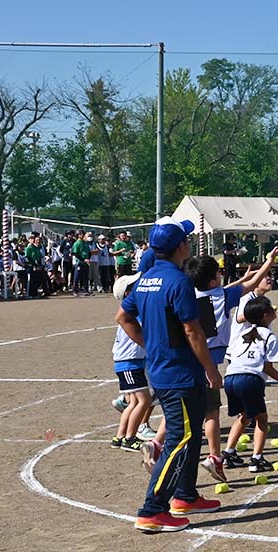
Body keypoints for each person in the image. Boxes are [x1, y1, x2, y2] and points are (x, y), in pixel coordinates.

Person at [116, 216, 223, 534]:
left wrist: (150, 343)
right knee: (179, 438)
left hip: (165, 369)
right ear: (181, 246)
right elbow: (193, 331)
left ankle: (185, 495)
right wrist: (210, 368)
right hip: (180, 373)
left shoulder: (146, 279)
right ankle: (152, 509)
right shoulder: (178, 281)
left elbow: (123, 316)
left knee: (192, 435)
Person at [187, 248, 278, 482]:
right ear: (212, 280)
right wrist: (268, 261)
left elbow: (241, 285)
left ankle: (160, 442)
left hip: (189, 358)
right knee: (211, 413)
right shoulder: (222, 296)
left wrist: (243, 278)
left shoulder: (188, 294)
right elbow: (251, 285)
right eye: (218, 273)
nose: (221, 276)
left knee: (186, 412)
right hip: (208, 361)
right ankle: (215, 456)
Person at [222, 296, 278, 473]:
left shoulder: (242, 334)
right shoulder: (269, 336)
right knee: (262, 419)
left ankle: (229, 453)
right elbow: (267, 368)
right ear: (266, 315)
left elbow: (233, 357)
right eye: (271, 309)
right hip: (250, 380)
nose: (274, 311)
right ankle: (256, 459)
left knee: (244, 416)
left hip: (231, 378)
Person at [110, 272, 152, 453]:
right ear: (128, 294)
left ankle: (120, 437)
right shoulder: (134, 314)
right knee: (144, 401)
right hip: (129, 363)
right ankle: (130, 438)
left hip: (129, 363)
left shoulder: (133, 312)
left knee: (134, 403)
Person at [71, 230, 92, 296]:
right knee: (77, 277)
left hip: (86, 262)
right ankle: (75, 291)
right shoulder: (77, 243)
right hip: (79, 262)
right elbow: (75, 253)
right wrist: (83, 259)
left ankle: (86, 290)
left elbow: (89, 252)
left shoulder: (85, 243)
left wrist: (88, 258)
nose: (83, 235)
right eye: (82, 234)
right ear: (78, 235)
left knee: (86, 277)